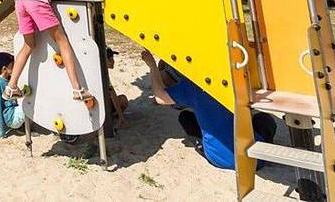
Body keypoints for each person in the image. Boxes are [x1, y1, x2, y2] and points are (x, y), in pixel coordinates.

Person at [141, 50, 277, 169]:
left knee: (186, 118)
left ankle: (202, 145)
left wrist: (152, 66)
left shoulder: (195, 87)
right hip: (254, 160)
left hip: (218, 158)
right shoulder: (239, 80)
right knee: (265, 120)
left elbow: (160, 98)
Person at [4, 0, 92, 103]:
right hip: (37, 3)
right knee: (63, 42)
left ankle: (11, 86)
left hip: (21, 1)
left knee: (28, 45)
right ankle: (77, 89)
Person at [0, 52, 25, 138]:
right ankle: (24, 129)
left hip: (15, 111)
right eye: (13, 66)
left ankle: (22, 128)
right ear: (4, 68)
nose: (15, 68)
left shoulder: (10, 78)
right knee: (29, 106)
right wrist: (2, 131)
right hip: (11, 117)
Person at [105, 47, 128, 127]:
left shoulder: (101, 71)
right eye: (111, 59)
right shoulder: (103, 74)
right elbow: (112, 94)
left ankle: (110, 117)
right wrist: (121, 116)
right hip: (102, 105)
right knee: (123, 100)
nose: (113, 61)